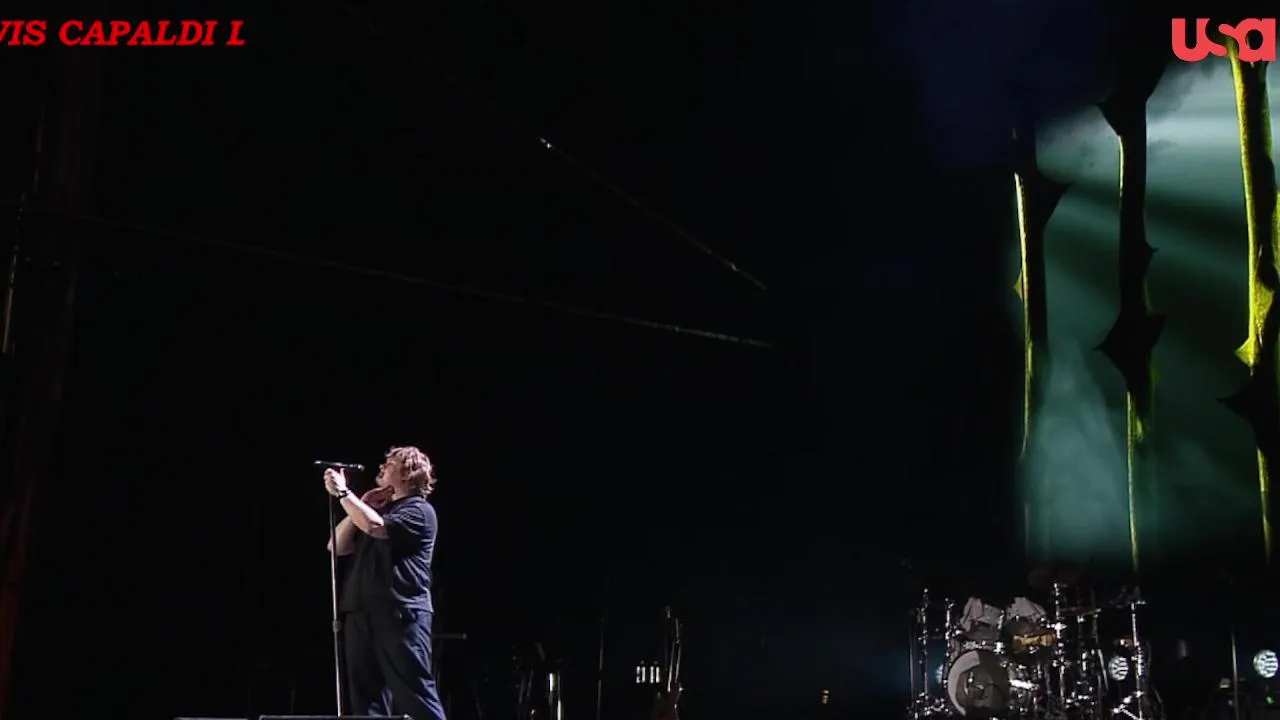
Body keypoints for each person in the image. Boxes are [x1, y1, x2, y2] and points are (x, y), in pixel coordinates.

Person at [325, 446, 447, 720]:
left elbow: (376, 527)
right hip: (361, 612)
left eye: (390, 464)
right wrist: (361, 503)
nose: (382, 467)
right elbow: (336, 545)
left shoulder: (419, 510)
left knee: (414, 693)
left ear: (408, 474)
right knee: (367, 701)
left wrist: (344, 494)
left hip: (399, 613)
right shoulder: (375, 510)